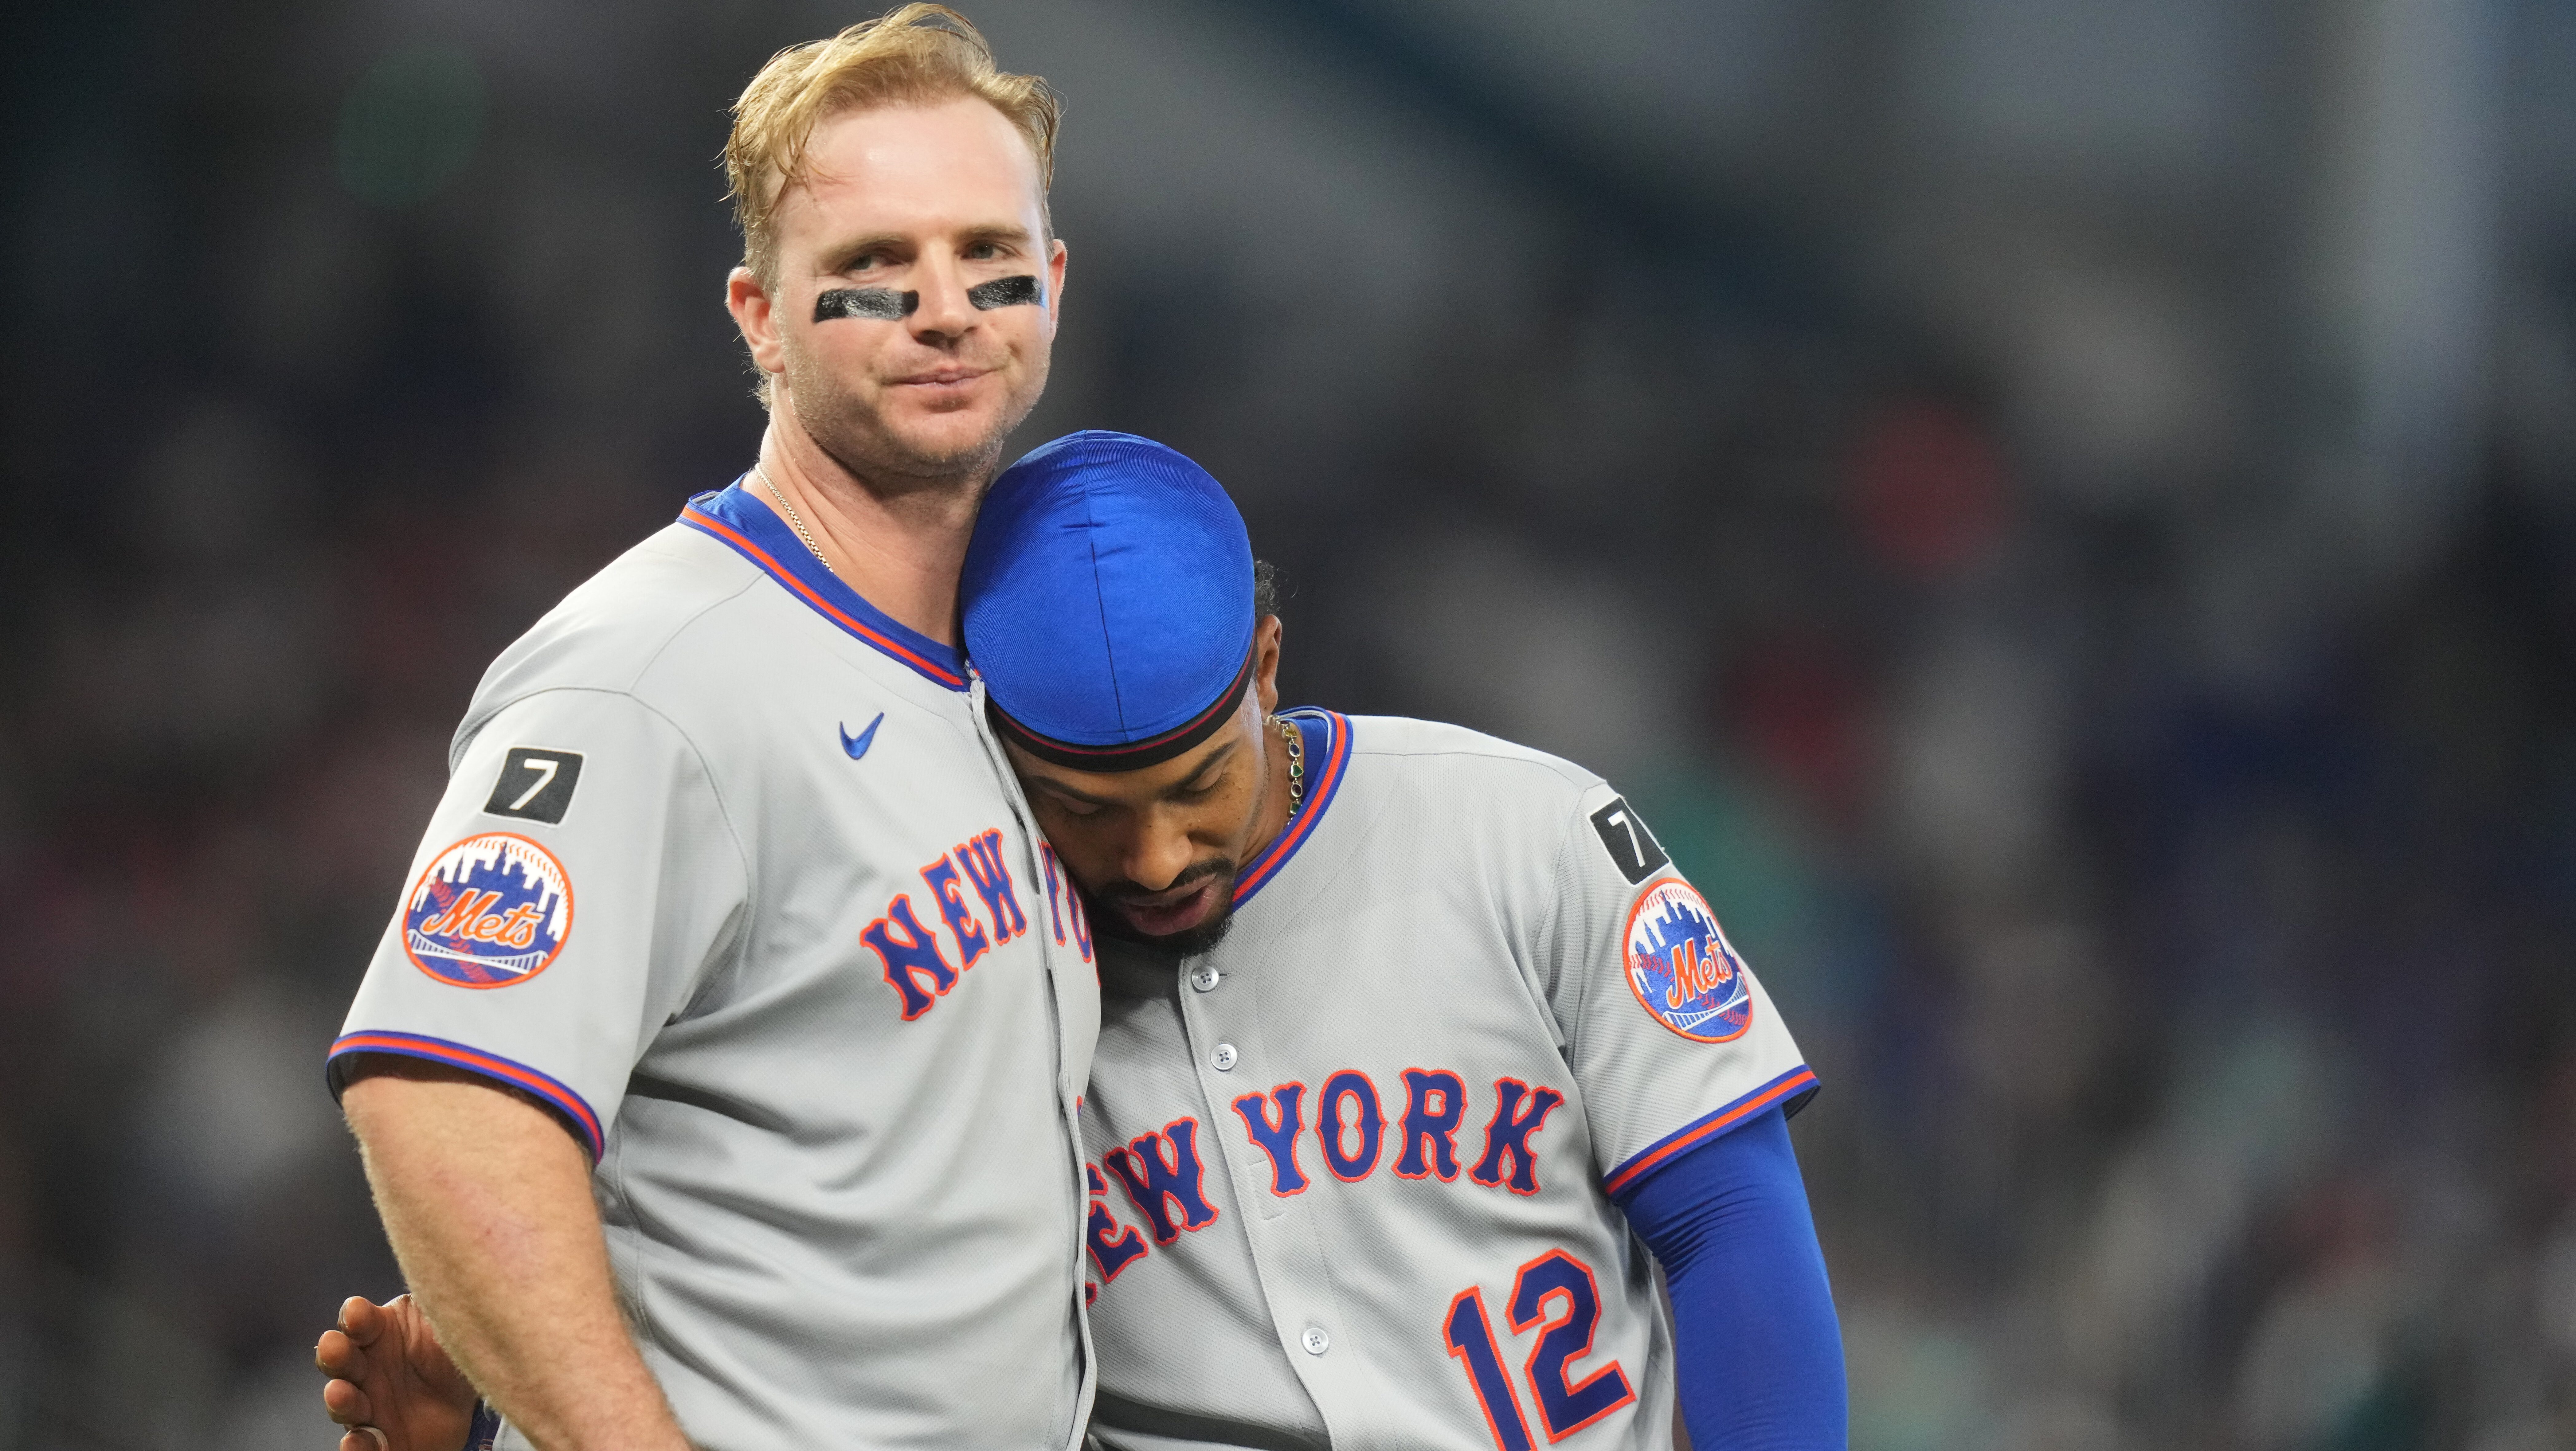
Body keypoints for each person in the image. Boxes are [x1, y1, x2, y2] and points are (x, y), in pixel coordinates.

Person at [321, 434, 1849, 1450]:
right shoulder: (972, 976)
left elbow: (1730, 1218)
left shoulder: (1525, 832)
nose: (1161, 855)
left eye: (1201, 785)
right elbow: (801, 1324)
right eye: (1092, 812)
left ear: (1266, 660)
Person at [319, 10, 1102, 1451]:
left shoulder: (1014, 672)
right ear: (757, 313)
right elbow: (442, 1098)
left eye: (986, 255)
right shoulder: (650, 675)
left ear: (1050, 284)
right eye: (873, 267)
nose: (944, 307)